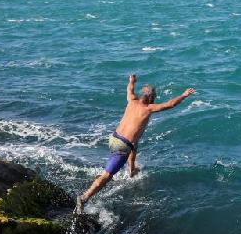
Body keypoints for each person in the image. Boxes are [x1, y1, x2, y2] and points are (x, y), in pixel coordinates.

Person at [75, 73, 195, 213]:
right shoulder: (148, 108)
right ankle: (84, 197)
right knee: (107, 176)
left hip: (114, 138)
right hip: (122, 146)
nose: (154, 99)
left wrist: (131, 81)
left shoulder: (131, 100)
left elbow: (129, 89)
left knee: (134, 144)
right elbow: (171, 104)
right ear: (150, 98)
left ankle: (131, 170)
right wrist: (184, 94)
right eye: (154, 96)